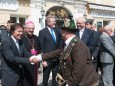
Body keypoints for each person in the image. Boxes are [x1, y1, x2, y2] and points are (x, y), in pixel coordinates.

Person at [34, 18, 100, 86]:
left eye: (61, 31)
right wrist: (40, 57)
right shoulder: (69, 42)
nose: (60, 32)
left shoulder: (78, 45)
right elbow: (58, 52)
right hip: (78, 81)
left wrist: (70, 84)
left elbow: (78, 68)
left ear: (65, 33)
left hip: (86, 82)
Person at [38, 15, 62, 86]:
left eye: (55, 21)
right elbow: (41, 47)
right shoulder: (42, 32)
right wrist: (43, 60)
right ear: (48, 22)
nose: (55, 22)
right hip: (47, 59)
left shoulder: (57, 31)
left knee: (55, 78)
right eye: (53, 21)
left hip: (56, 59)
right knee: (46, 78)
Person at [21, 21, 40, 86]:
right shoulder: (21, 38)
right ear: (25, 28)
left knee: (34, 80)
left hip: (35, 62)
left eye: (33, 28)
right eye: (29, 28)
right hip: (25, 64)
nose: (31, 30)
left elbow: (40, 49)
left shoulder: (36, 38)